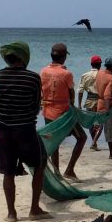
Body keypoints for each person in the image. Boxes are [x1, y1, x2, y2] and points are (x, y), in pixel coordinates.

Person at [0, 41, 50, 222]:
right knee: (39, 165)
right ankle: (34, 209)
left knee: (8, 172)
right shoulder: (32, 78)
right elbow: (36, 105)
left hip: (3, 130)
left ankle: (11, 214)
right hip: (25, 130)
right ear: (24, 57)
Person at [40, 43, 85, 179]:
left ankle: (57, 173)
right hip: (63, 113)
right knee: (82, 138)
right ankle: (69, 170)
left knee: (54, 142)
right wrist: (73, 106)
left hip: (47, 111)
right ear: (64, 57)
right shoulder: (66, 74)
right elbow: (71, 93)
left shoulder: (43, 71)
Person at [77, 55, 104, 151]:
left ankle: (94, 142)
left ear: (91, 64)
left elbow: (80, 91)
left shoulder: (85, 75)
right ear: (100, 64)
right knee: (100, 122)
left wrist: (79, 104)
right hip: (100, 100)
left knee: (91, 123)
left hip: (89, 100)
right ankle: (94, 142)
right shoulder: (103, 75)